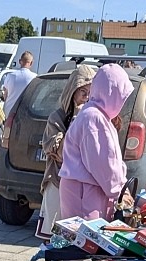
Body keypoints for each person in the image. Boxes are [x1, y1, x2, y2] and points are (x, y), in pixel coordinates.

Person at [58, 64, 133, 220]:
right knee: (85, 242)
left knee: (84, 241)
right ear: (112, 93)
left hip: (86, 192)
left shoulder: (97, 115)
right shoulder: (94, 118)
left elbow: (111, 161)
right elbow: (103, 164)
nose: (122, 103)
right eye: (121, 96)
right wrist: (119, 190)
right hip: (84, 194)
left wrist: (121, 186)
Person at [37, 64, 95, 234]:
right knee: (54, 236)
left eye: (90, 94)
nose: (87, 98)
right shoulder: (57, 118)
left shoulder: (94, 118)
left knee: (78, 239)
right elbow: (63, 154)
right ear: (72, 92)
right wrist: (77, 119)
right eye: (83, 93)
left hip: (82, 186)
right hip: (57, 181)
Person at [0, 51, 36, 121]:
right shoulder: (34, 77)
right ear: (31, 63)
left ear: (19, 61)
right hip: (25, 113)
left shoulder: (10, 76)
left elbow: (5, 94)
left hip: (9, 112)